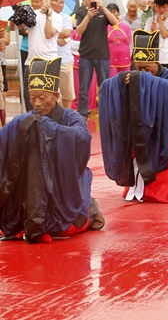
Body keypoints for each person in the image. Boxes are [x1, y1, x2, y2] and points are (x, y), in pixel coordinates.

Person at [0, 57, 104, 243]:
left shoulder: (71, 117)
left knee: (61, 228)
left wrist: (46, 128)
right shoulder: (27, 119)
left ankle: (90, 208)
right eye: (32, 98)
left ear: (55, 96)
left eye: (42, 97)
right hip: (33, 186)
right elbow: (4, 139)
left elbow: (82, 138)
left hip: (63, 182)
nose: (37, 103)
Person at [99, 30, 168, 204]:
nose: (142, 73)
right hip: (140, 127)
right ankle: (134, 184)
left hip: (165, 128)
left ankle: (157, 190)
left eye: (147, 69)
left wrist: (146, 82)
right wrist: (122, 82)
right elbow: (106, 86)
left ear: (157, 62)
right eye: (138, 68)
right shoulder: (132, 76)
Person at [75, 0, 118, 119]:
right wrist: (88, 16)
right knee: (84, 87)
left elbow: (115, 22)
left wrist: (104, 9)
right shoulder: (81, 11)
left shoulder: (103, 11)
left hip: (102, 55)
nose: (92, 1)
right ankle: (82, 112)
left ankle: (106, 112)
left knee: (104, 86)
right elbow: (79, 31)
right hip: (86, 55)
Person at [24, 0, 65, 112]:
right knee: (30, 95)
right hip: (32, 61)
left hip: (50, 61)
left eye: (55, 0)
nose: (53, 3)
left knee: (50, 95)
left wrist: (48, 16)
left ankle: (51, 122)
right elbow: (17, 26)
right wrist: (38, 12)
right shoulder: (32, 14)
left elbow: (49, 34)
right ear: (42, 0)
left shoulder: (57, 17)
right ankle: (31, 121)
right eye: (50, 0)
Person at [52, 0, 75, 109]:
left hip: (65, 59)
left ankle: (67, 117)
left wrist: (52, 34)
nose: (60, 5)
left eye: (62, 3)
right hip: (50, 59)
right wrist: (56, 37)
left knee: (67, 93)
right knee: (52, 93)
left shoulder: (65, 17)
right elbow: (44, 33)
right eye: (58, 2)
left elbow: (67, 33)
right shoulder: (45, 17)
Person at [144, 0, 168, 68]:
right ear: (155, 7)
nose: (161, 9)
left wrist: (160, 21)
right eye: (159, 7)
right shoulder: (150, 21)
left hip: (166, 57)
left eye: (164, 7)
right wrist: (152, 31)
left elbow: (165, 34)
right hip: (152, 56)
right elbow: (146, 39)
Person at [106, 3, 133, 78]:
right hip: (110, 60)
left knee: (124, 81)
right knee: (113, 81)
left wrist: (129, 56)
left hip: (125, 59)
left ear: (118, 12)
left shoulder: (126, 26)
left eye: (115, 11)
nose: (113, 14)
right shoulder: (105, 27)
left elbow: (130, 44)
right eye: (110, 12)